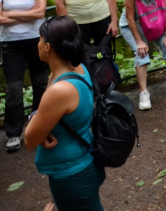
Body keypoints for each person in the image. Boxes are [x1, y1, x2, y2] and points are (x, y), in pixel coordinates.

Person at [25, 16, 105, 211]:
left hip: (72, 174)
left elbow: (29, 140)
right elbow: (54, 114)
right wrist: (43, 127)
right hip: (85, 161)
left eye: (40, 39)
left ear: (48, 47)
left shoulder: (59, 90)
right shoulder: (77, 69)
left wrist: (37, 126)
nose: (38, 43)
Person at [0, 0, 48, 152]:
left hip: (36, 41)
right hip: (11, 43)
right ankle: (13, 133)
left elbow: (41, 13)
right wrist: (28, 13)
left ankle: (37, 124)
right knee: (13, 89)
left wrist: (11, 15)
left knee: (40, 83)